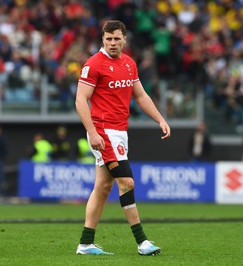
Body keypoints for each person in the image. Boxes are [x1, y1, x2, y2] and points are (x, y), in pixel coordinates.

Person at [75, 20, 171, 256]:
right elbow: (80, 101)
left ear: (124, 39)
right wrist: (93, 132)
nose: (113, 43)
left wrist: (160, 119)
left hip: (120, 132)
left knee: (103, 186)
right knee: (126, 182)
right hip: (104, 131)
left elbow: (140, 96)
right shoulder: (93, 64)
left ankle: (85, 244)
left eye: (117, 39)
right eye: (108, 39)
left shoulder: (129, 64)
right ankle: (142, 242)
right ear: (102, 40)